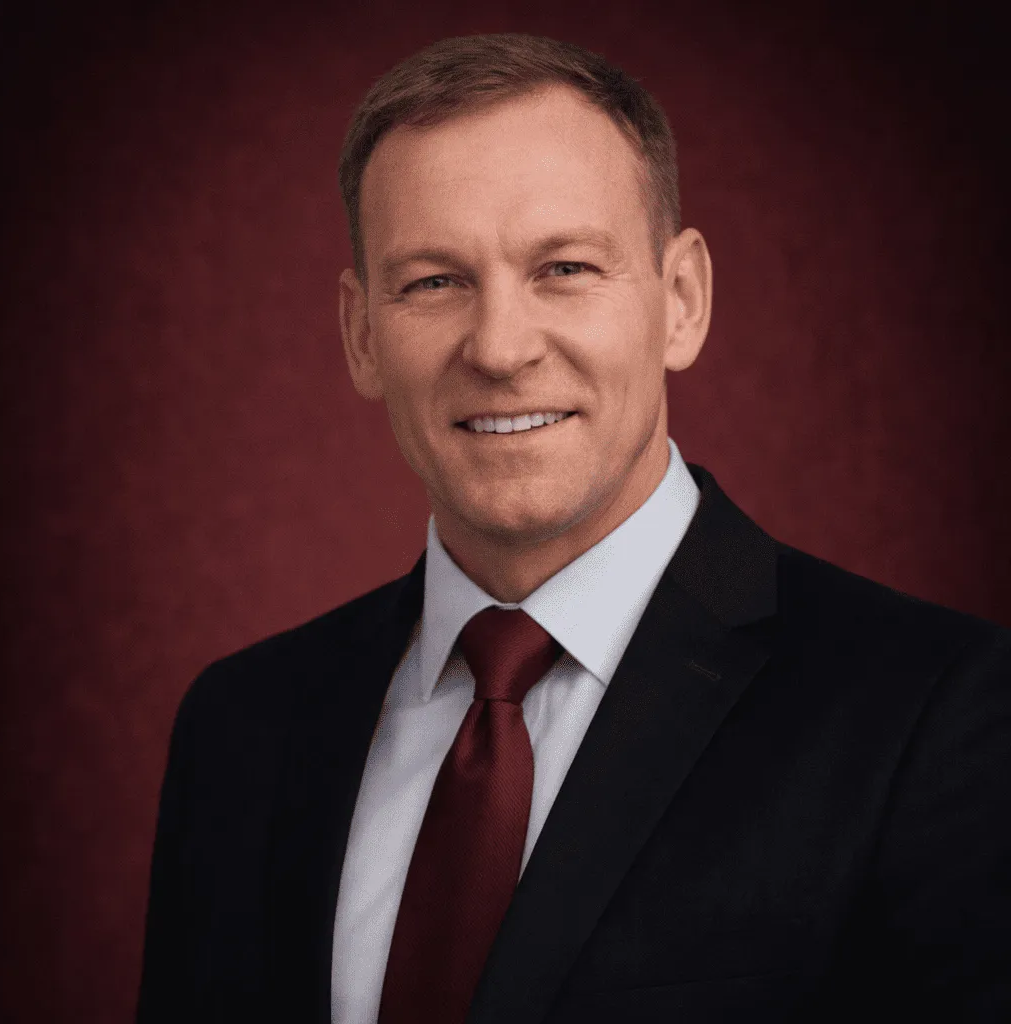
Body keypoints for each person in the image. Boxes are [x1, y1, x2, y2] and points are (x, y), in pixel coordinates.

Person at [136, 32, 1011, 1024]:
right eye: (433, 282)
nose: (500, 348)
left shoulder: (935, 714)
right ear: (361, 334)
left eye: (563, 267)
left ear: (681, 302)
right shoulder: (239, 728)